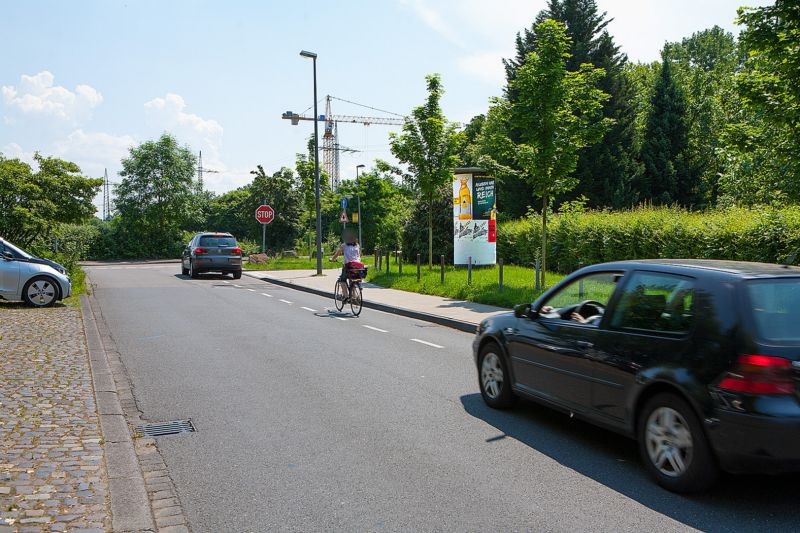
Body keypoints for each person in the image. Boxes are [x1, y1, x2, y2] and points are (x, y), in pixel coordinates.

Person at [330, 229, 362, 294]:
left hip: (349, 265)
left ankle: (345, 295)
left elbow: (337, 254)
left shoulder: (344, 245)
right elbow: (359, 255)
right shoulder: (357, 245)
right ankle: (354, 295)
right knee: (352, 278)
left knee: (342, 280)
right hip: (358, 265)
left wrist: (332, 259)